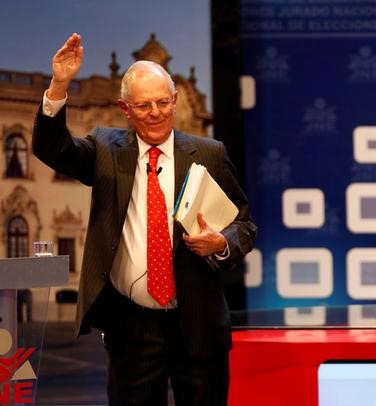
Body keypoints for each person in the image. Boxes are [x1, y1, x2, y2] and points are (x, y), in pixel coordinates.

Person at [33, 33, 257, 406]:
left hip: (198, 325)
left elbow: (244, 225)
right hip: (132, 329)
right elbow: (53, 148)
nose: (154, 112)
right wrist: (59, 85)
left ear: (174, 101)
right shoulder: (106, 149)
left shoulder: (209, 153)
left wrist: (221, 244)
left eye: (162, 103)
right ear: (125, 109)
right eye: (143, 105)